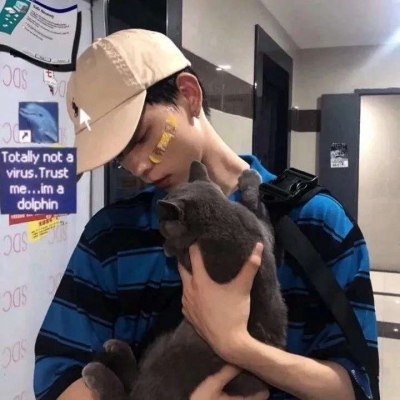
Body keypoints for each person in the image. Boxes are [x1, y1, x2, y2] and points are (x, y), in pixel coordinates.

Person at [33, 29, 379, 400]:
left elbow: (356, 384)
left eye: (142, 137)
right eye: (120, 156)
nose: (138, 167)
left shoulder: (315, 221)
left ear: (189, 95)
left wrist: (238, 345)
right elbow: (58, 377)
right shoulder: (110, 236)